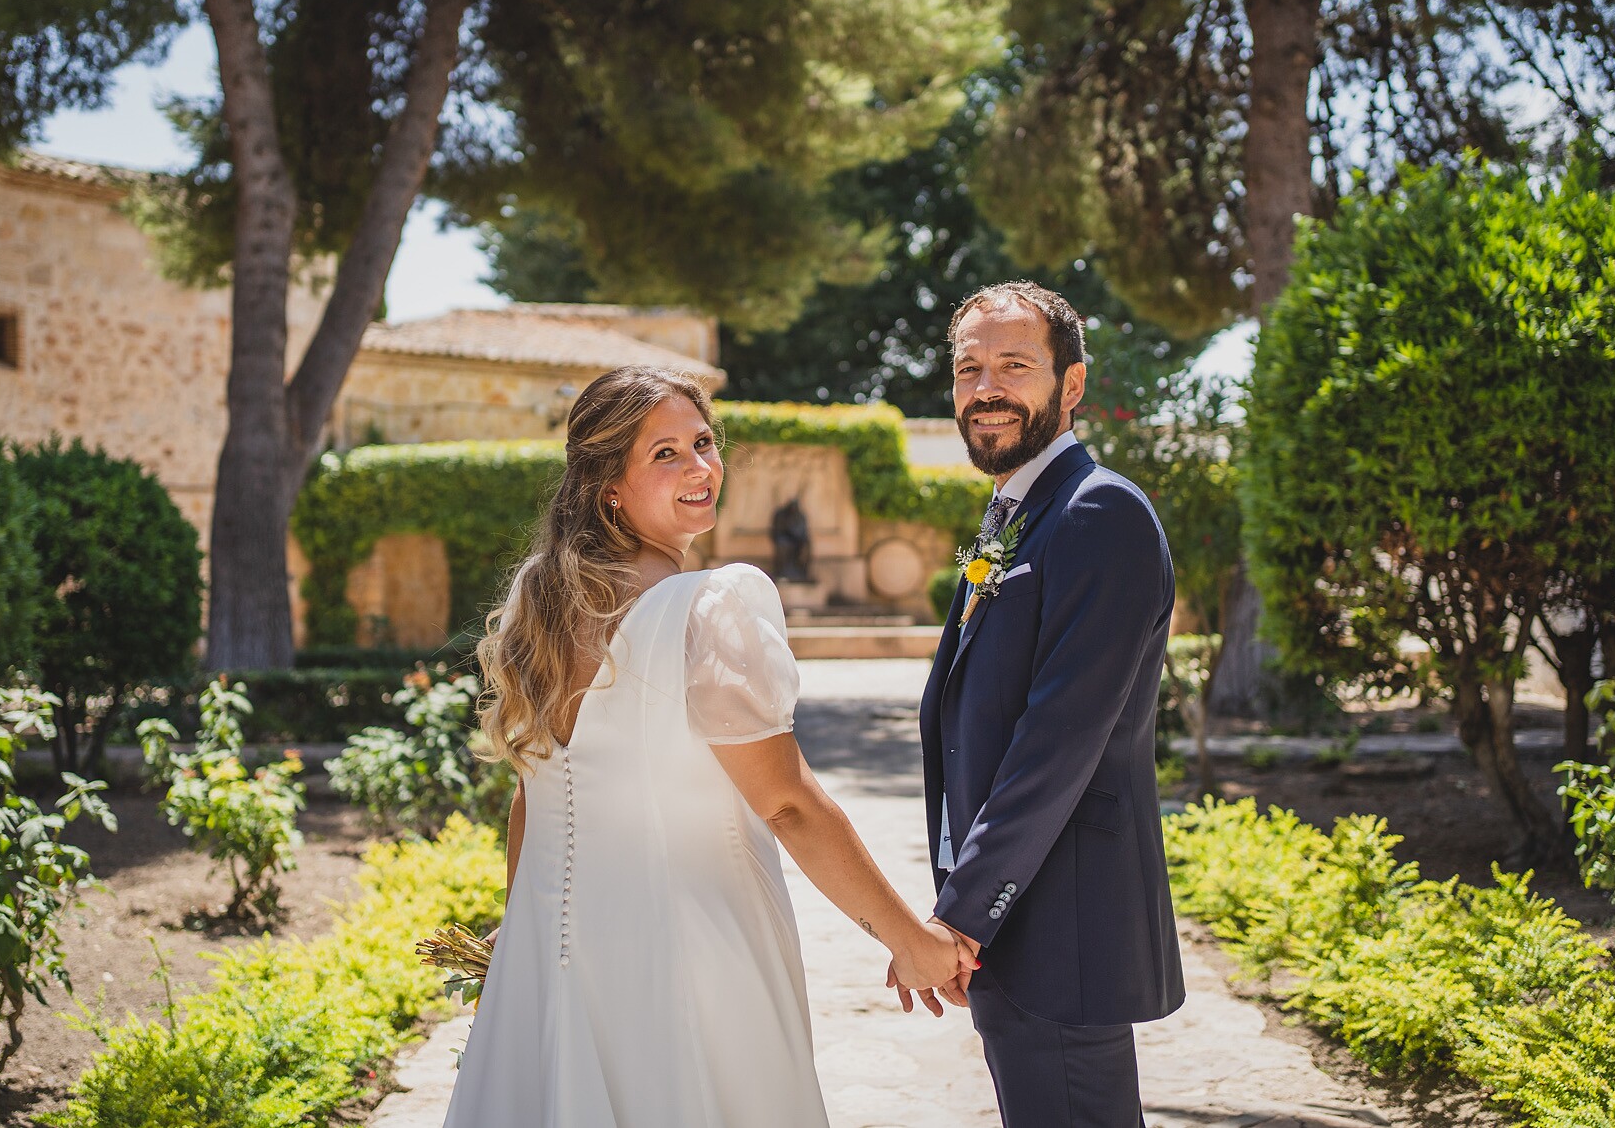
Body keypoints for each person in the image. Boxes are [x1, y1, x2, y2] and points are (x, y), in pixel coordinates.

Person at [443, 365, 975, 1128]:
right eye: (665, 453)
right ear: (609, 487)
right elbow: (787, 802)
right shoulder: (710, 607)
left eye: (702, 443)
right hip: (693, 960)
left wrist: (522, 924)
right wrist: (908, 936)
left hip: (549, 966)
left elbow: (531, 798)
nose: (701, 468)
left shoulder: (537, 600)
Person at [913, 281, 1185, 1127]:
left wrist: (960, 915)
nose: (985, 387)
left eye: (1014, 365)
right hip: (1019, 921)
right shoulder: (1016, 515)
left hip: (1064, 920)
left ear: (1070, 385)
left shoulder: (1098, 512)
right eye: (969, 368)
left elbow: (1058, 742)